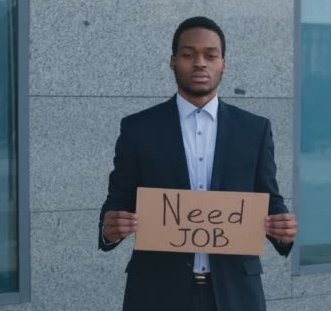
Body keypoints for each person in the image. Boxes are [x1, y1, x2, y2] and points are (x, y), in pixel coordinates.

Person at [98, 16, 297, 311]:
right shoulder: (138, 129)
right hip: (156, 292)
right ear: (173, 61)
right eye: (189, 55)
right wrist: (109, 228)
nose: (200, 63)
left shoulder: (254, 130)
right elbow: (117, 201)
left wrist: (283, 226)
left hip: (235, 293)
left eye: (210, 55)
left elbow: (268, 198)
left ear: (223, 64)